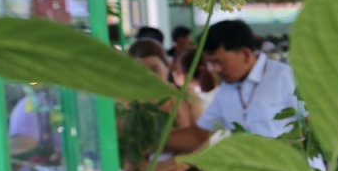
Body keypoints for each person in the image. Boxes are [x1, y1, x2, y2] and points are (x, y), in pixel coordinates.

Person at [166, 20, 301, 154]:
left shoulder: (285, 77)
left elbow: (314, 127)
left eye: (219, 62)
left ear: (245, 54)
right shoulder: (225, 90)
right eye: (209, 63)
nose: (214, 69)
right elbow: (198, 135)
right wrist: (153, 141)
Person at [127, 39, 203, 131]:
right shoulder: (127, 104)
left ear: (167, 66)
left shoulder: (187, 96)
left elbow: (203, 137)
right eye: (141, 72)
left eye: (154, 70)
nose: (149, 78)